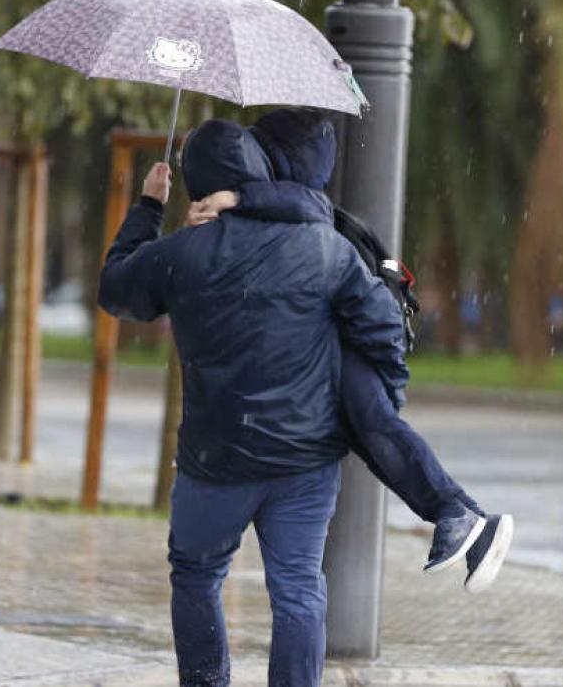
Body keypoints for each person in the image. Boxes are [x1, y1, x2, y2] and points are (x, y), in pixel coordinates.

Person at [98, 119, 408, 686]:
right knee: (298, 588)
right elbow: (383, 324)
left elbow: (115, 288)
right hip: (306, 460)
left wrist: (149, 204)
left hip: (215, 462)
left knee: (195, 574)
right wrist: (383, 400)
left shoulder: (178, 255)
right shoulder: (323, 246)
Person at [186, 108, 514, 593]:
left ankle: (458, 515)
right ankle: (471, 522)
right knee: (375, 440)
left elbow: (293, 208)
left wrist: (237, 196)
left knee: (377, 428)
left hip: (348, 346)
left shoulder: (303, 205)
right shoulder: (293, 207)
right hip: (339, 345)